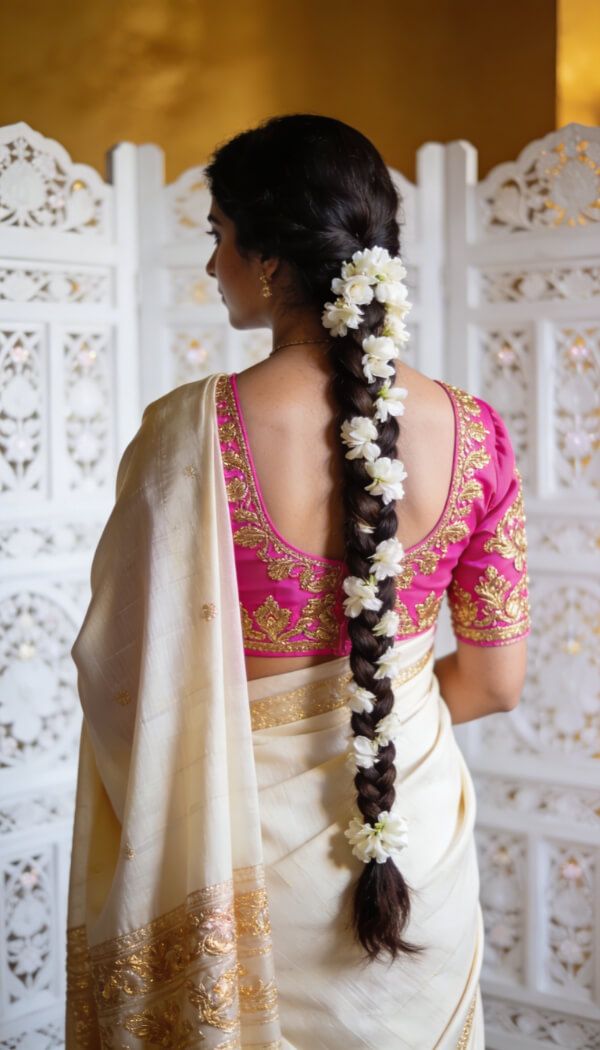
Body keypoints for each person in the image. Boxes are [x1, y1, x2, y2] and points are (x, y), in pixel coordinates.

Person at [65, 114, 530, 1049]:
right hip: (415, 851)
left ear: (270, 257)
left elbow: (120, 678)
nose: (211, 266)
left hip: (236, 866)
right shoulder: (476, 434)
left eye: (217, 237)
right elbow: (492, 682)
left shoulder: (185, 434)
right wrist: (370, 719)